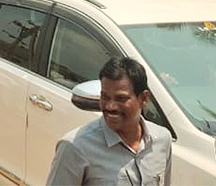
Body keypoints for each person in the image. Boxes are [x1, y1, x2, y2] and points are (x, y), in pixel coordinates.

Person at [46, 57, 172, 186]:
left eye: (121, 99)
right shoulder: (75, 147)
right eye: (105, 97)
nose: (110, 107)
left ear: (143, 99)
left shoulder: (162, 140)